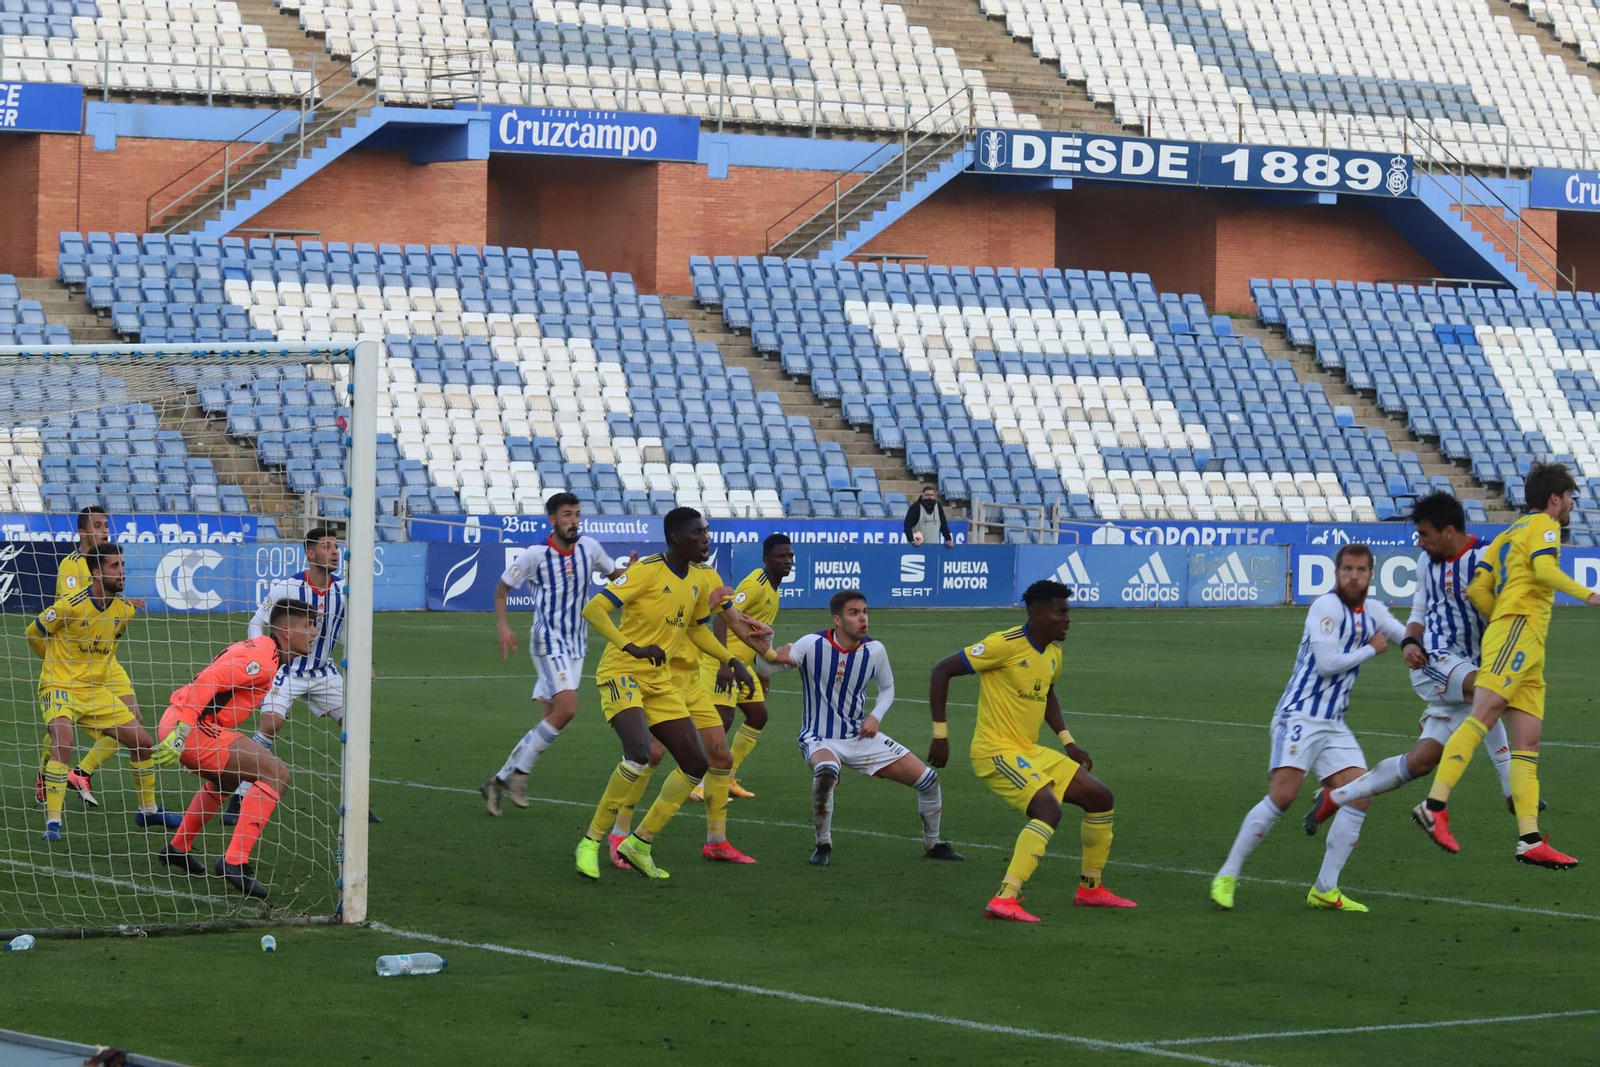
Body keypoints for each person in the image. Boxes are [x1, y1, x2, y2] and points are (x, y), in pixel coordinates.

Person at [1413, 462, 1600, 868]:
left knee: (1527, 742)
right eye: (1569, 497)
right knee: (1483, 715)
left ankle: (1529, 839)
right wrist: (1589, 596)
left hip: (1527, 642)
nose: (1571, 505)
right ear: (1555, 499)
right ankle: (1434, 805)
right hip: (1519, 632)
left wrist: (1499, 616)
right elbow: (1545, 569)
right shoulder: (1547, 526)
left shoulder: (1508, 533)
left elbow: (1478, 586)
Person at [1303, 493, 1519, 831]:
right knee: (1488, 690)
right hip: (1433, 658)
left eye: (1424, 535)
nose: (1419, 542)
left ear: (1448, 531)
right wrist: (1408, 642)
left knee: (1420, 764)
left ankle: (1336, 797)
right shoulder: (1426, 563)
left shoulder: (1486, 557)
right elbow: (1418, 614)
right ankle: (1513, 788)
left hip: (1471, 666)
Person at [573, 507, 769, 881]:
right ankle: (591, 841)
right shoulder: (646, 570)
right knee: (641, 754)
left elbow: (696, 629)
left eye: (708, 531)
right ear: (678, 538)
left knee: (697, 764)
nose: (707, 538)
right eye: (700, 533)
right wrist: (631, 647)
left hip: (659, 680)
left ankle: (639, 843)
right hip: (622, 671)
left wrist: (732, 659)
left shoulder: (698, 578)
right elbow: (594, 609)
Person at [1210, 544, 1405, 913]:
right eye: (1347, 569)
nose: (1353, 576)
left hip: (1333, 724)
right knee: (1283, 796)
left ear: (1370, 575)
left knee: (1361, 793)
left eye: (1361, 570)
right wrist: (1370, 650)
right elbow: (1327, 662)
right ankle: (1227, 874)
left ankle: (1324, 889)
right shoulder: (1325, 607)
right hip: (1299, 715)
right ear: (1337, 573)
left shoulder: (1374, 611)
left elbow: (1405, 636)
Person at [927, 579, 1134, 923]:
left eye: (1067, 611)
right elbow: (941, 670)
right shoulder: (1003, 645)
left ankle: (1090, 889)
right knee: (1048, 811)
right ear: (1038, 615)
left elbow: (1047, 693)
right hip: (995, 751)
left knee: (1100, 797)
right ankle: (1005, 898)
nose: (1067, 619)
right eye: (1060, 612)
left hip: (1028, 750)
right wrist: (940, 734)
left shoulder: (1053, 653)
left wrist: (1068, 741)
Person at [759, 589, 961, 866]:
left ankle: (933, 843)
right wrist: (765, 644)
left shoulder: (874, 650)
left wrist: (876, 716)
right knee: (826, 772)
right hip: (820, 737)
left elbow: (887, 688)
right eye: (854, 613)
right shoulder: (811, 644)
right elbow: (767, 669)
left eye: (864, 611)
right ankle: (823, 845)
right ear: (837, 620)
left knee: (928, 780)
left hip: (860, 735)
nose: (862, 618)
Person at [153, 599, 319, 899]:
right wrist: (182, 735)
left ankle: (178, 847)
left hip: (189, 723)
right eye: (307, 625)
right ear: (285, 629)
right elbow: (209, 681)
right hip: (189, 726)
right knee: (276, 774)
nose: (314, 632)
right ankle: (234, 861)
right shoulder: (263, 658)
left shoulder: (264, 649)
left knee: (228, 779)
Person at [480, 493, 634, 816]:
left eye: (577, 514)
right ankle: (521, 775)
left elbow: (616, 579)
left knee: (550, 720)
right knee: (567, 709)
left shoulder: (590, 548)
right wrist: (503, 627)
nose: (574, 520)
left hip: (577, 645)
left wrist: (632, 573)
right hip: (548, 640)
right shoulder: (535, 555)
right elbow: (501, 588)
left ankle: (498, 781)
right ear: (552, 519)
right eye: (567, 515)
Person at [225, 527, 381, 825]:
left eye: (336, 546)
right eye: (326, 546)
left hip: (323, 672)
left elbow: (345, 631)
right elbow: (256, 623)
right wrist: (264, 659)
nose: (335, 551)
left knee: (356, 729)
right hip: (286, 671)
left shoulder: (343, 591)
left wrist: (364, 661)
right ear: (310, 554)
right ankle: (240, 797)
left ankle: (356, 802)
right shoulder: (287, 588)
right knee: (271, 724)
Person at [26, 544, 178, 841]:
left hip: (95, 692)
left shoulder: (125, 611)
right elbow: (33, 632)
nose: (121, 571)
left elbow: (106, 651)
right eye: (114, 566)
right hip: (59, 686)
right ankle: (53, 823)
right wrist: (51, 662)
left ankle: (148, 811)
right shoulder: (69, 606)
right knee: (64, 741)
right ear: (96, 573)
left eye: (122, 565)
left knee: (143, 742)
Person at [36, 505, 147, 809]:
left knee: (134, 721)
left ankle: (82, 771)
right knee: (63, 727)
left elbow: (106, 599)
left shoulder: (109, 560)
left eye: (106, 524)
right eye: (98, 525)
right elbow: (79, 603)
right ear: (83, 531)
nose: (104, 530)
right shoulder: (71, 565)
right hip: (75, 659)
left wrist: (123, 602)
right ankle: (48, 770)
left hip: (104, 660)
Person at [689, 533, 794, 803]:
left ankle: (729, 776)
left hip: (744, 667)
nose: (787, 561)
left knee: (758, 716)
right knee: (720, 723)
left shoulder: (774, 586)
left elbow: (755, 634)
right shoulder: (757, 584)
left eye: (790, 556)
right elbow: (723, 617)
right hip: (722, 664)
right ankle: (699, 782)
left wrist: (763, 673)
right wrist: (725, 661)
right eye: (781, 556)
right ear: (766, 559)